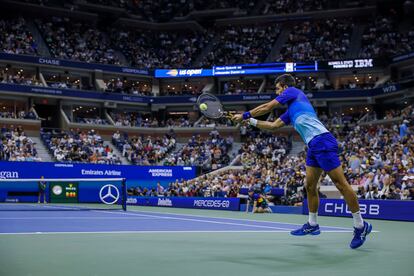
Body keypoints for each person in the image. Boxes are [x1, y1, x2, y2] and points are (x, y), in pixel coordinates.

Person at [233, 74, 372, 249]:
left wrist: (245, 115)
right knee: (309, 186)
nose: (277, 92)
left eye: (277, 89)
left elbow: (269, 106)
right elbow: (273, 126)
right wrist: (251, 121)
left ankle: (360, 225)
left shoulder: (293, 91)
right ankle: (312, 224)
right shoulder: (291, 110)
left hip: (322, 140)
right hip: (313, 146)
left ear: (283, 87)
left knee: (341, 184)